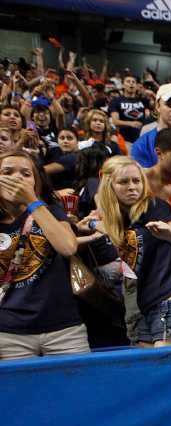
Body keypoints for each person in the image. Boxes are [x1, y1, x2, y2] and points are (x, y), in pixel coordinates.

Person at [90, 156, 171, 347]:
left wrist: (170, 236)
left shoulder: (153, 206)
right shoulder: (118, 218)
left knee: (165, 371)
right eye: (124, 182)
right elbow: (117, 235)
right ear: (110, 186)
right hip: (145, 308)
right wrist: (93, 224)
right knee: (149, 373)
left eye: (137, 180)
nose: (133, 187)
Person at [0, 150, 87, 359]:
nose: (17, 178)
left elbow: (67, 247)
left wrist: (32, 202)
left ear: (36, 182)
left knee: (79, 390)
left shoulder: (50, 211)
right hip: (10, 332)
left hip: (64, 329)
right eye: (7, 172)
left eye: (25, 173)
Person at [108, 73, 150, 146]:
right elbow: (115, 121)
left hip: (142, 138)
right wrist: (131, 124)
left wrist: (152, 94)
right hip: (124, 139)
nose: (131, 84)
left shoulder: (143, 100)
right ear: (123, 85)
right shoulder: (116, 100)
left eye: (133, 82)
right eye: (128, 81)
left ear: (137, 86)